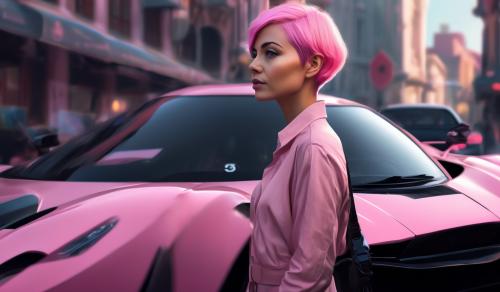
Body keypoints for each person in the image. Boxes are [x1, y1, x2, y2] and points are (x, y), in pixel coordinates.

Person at [247, 2, 350, 291]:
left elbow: (310, 271)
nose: (254, 65)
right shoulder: (296, 143)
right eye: (255, 54)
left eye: (271, 53)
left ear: (312, 64)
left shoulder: (314, 147)